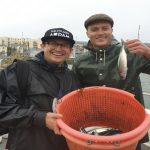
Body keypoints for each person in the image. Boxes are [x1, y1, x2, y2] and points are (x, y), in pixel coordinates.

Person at [72, 13, 150, 150]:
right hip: (95, 124)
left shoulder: (133, 53)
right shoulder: (79, 61)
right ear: (87, 33)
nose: (100, 33)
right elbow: (75, 93)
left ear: (111, 31)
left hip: (131, 125)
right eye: (94, 29)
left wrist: (148, 53)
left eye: (105, 28)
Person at [0, 28, 79, 150]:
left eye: (64, 45)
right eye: (53, 43)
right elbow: (3, 109)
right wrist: (41, 118)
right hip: (25, 145)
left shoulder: (72, 76)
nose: (58, 48)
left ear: (70, 50)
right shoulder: (19, 70)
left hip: (63, 144)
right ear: (42, 46)